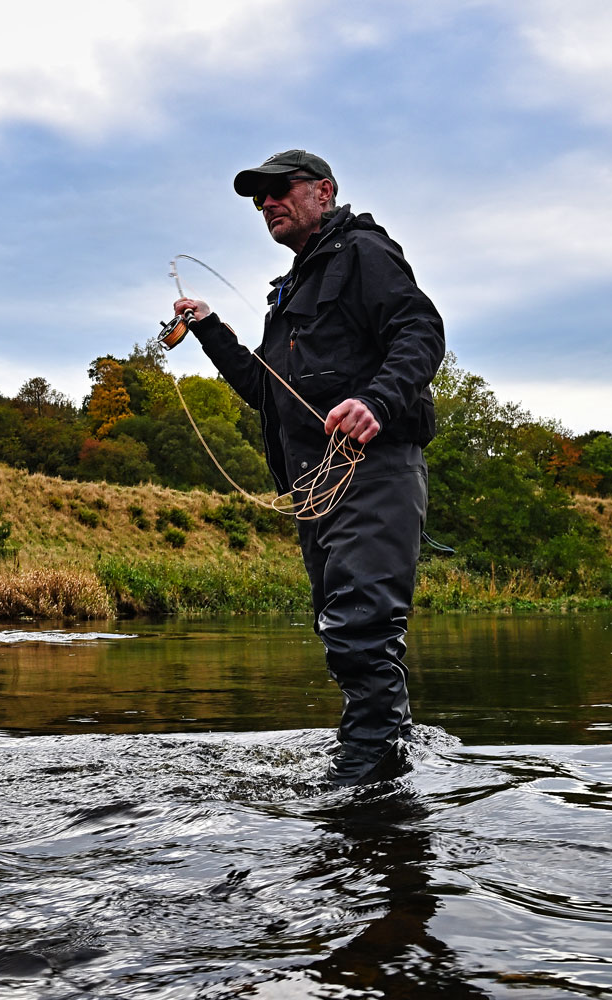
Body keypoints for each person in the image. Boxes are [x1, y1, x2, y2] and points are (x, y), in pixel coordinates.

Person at [173, 149, 445, 786]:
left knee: (360, 629)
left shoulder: (364, 254)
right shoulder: (290, 291)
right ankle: (386, 772)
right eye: (258, 198)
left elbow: (421, 329)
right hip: (317, 491)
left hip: (372, 473)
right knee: (342, 629)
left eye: (280, 190)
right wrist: (211, 330)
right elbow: (266, 392)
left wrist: (376, 402)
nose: (267, 203)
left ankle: (362, 787)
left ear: (324, 191)